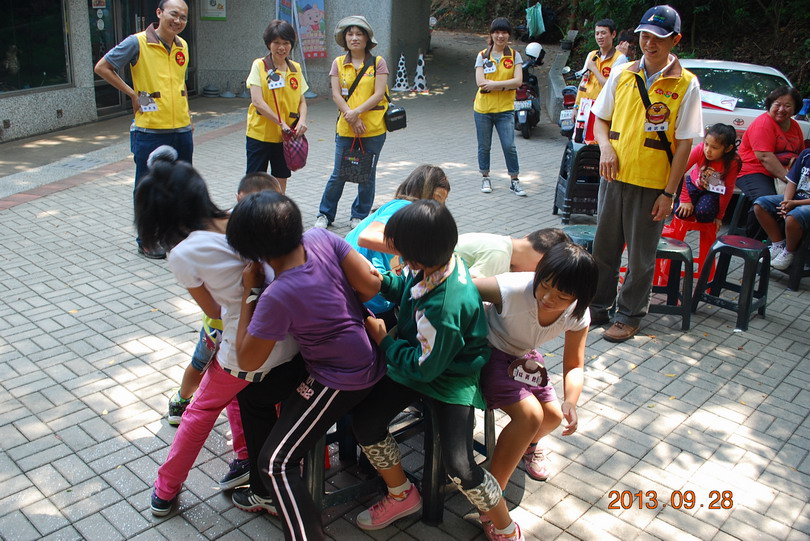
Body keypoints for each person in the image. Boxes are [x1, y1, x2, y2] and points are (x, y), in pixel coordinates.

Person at [134, 151, 303, 518]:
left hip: (248, 347)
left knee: (199, 410)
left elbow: (213, 311)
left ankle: (165, 488)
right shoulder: (243, 217)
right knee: (238, 396)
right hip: (292, 338)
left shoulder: (183, 253)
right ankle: (244, 456)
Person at [353, 200, 526, 541]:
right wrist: (384, 281)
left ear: (417, 256)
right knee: (366, 422)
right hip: (420, 358)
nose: (396, 253)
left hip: (450, 377)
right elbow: (408, 289)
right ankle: (402, 494)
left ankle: (504, 523)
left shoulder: (446, 306)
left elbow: (425, 368)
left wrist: (384, 341)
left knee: (460, 466)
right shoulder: (439, 262)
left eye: (399, 249)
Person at [226, 192, 387, 540]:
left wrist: (249, 292)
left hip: (343, 377)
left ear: (258, 254)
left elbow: (247, 359)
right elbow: (372, 284)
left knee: (275, 463)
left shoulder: (277, 294)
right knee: (255, 396)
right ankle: (266, 495)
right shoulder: (321, 237)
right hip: (361, 352)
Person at [588, 5, 703, 342]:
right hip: (613, 178)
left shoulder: (686, 84)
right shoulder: (622, 74)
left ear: (675, 40)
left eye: (659, 38)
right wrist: (605, 147)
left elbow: (684, 145)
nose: (650, 43)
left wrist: (669, 193)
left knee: (640, 258)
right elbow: (600, 120)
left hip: (652, 185)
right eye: (645, 36)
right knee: (603, 250)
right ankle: (598, 306)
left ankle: (629, 315)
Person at [473, 243, 596, 502]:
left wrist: (571, 401)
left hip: (524, 358)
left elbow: (574, 364)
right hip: (489, 352)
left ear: (579, 296)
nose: (548, 298)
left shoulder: (577, 314)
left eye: (562, 296)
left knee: (552, 416)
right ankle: (491, 499)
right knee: (530, 416)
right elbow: (464, 286)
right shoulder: (512, 288)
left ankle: (526, 446)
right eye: (545, 286)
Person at [167, 171, 282, 430]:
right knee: (201, 364)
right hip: (220, 324)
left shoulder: (268, 229)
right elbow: (213, 307)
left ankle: (242, 438)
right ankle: (182, 399)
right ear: (239, 199)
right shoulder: (228, 227)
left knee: (235, 379)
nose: (261, 209)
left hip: (246, 325)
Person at [94, 0, 193, 259]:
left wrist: (188, 117)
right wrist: (132, 94)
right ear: (159, 13)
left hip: (181, 128)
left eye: (183, 17)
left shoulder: (182, 45)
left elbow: (180, 84)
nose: (178, 21)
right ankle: (147, 240)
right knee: (148, 188)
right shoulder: (137, 42)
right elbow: (102, 67)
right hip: (150, 130)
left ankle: (173, 235)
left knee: (180, 186)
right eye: (173, 14)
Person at [346, 164, 450, 327]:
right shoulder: (402, 207)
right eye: (437, 198)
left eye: (442, 202)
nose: (439, 208)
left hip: (378, 292)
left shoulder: (413, 218)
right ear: (423, 191)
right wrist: (417, 252)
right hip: (366, 296)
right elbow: (366, 237)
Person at [315, 15, 389, 230]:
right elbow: (336, 95)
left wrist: (356, 113)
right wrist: (351, 116)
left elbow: (379, 94)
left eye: (359, 34)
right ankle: (325, 214)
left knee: (367, 175)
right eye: (350, 34)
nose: (354, 38)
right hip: (346, 127)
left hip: (373, 128)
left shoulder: (378, 62)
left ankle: (359, 215)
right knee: (338, 173)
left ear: (367, 38)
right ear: (344, 38)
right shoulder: (338, 63)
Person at [245, 20, 309, 194]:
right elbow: (257, 101)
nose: (282, 47)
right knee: (255, 178)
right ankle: (252, 209)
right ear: (269, 44)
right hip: (260, 133)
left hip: (285, 137)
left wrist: (302, 120)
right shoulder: (260, 65)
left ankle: (278, 207)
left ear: (291, 44)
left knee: (281, 176)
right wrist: (281, 122)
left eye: (286, 43)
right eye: (276, 43)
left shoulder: (295, 68)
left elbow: (302, 101)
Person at [736, 86, 804, 238]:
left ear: (795, 108)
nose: (781, 109)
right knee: (766, 202)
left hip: (784, 173)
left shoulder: (794, 126)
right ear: (770, 105)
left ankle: (786, 242)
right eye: (777, 104)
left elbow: (801, 154)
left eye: (787, 106)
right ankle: (754, 242)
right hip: (753, 170)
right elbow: (765, 157)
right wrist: (790, 180)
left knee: (798, 200)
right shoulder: (763, 124)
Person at [474, 18, 526, 197]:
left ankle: (514, 180)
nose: (500, 36)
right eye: (496, 32)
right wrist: (506, 85)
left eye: (504, 32)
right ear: (491, 34)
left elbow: (518, 81)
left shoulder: (514, 56)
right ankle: (485, 177)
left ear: (509, 35)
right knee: (484, 146)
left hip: (505, 109)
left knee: (509, 146)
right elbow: (480, 82)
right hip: (483, 109)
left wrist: (495, 85)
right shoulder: (483, 55)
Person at [675, 123, 741, 228]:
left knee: (704, 213)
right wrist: (685, 199)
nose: (708, 150)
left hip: (712, 192)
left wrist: (719, 216)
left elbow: (728, 189)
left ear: (728, 149)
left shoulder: (733, 162)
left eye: (714, 147)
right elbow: (679, 172)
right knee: (681, 211)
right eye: (706, 144)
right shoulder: (699, 149)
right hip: (693, 185)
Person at [754, 148, 810, 270]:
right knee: (760, 205)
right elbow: (792, 182)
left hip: (805, 203)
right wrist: (786, 202)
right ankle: (778, 244)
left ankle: (789, 252)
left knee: (793, 217)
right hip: (796, 197)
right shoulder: (806, 154)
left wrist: (794, 203)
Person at [573, 19, 628, 143]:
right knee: (580, 141)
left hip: (602, 110)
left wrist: (594, 69)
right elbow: (583, 81)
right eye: (597, 33)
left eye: (603, 33)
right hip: (585, 107)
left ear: (613, 34)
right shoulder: (592, 55)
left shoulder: (619, 59)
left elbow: (610, 87)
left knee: (598, 143)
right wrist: (576, 106)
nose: (599, 37)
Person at [455, 228, 569, 279]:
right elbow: (470, 286)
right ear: (540, 261)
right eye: (537, 269)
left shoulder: (505, 245)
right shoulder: (500, 255)